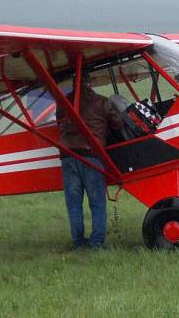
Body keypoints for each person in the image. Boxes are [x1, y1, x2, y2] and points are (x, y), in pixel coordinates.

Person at [57, 73, 123, 249]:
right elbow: (117, 124)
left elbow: (59, 120)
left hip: (68, 156)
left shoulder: (63, 101)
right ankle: (96, 243)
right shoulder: (101, 102)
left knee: (74, 204)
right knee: (97, 203)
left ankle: (78, 242)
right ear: (90, 83)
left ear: (74, 84)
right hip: (91, 156)